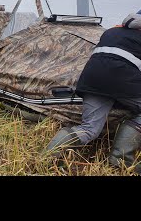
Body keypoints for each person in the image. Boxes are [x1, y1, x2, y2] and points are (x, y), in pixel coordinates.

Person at [45, 10, 141, 173]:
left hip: (92, 80)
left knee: (90, 129)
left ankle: (47, 157)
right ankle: (121, 159)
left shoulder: (111, 32)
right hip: (123, 82)